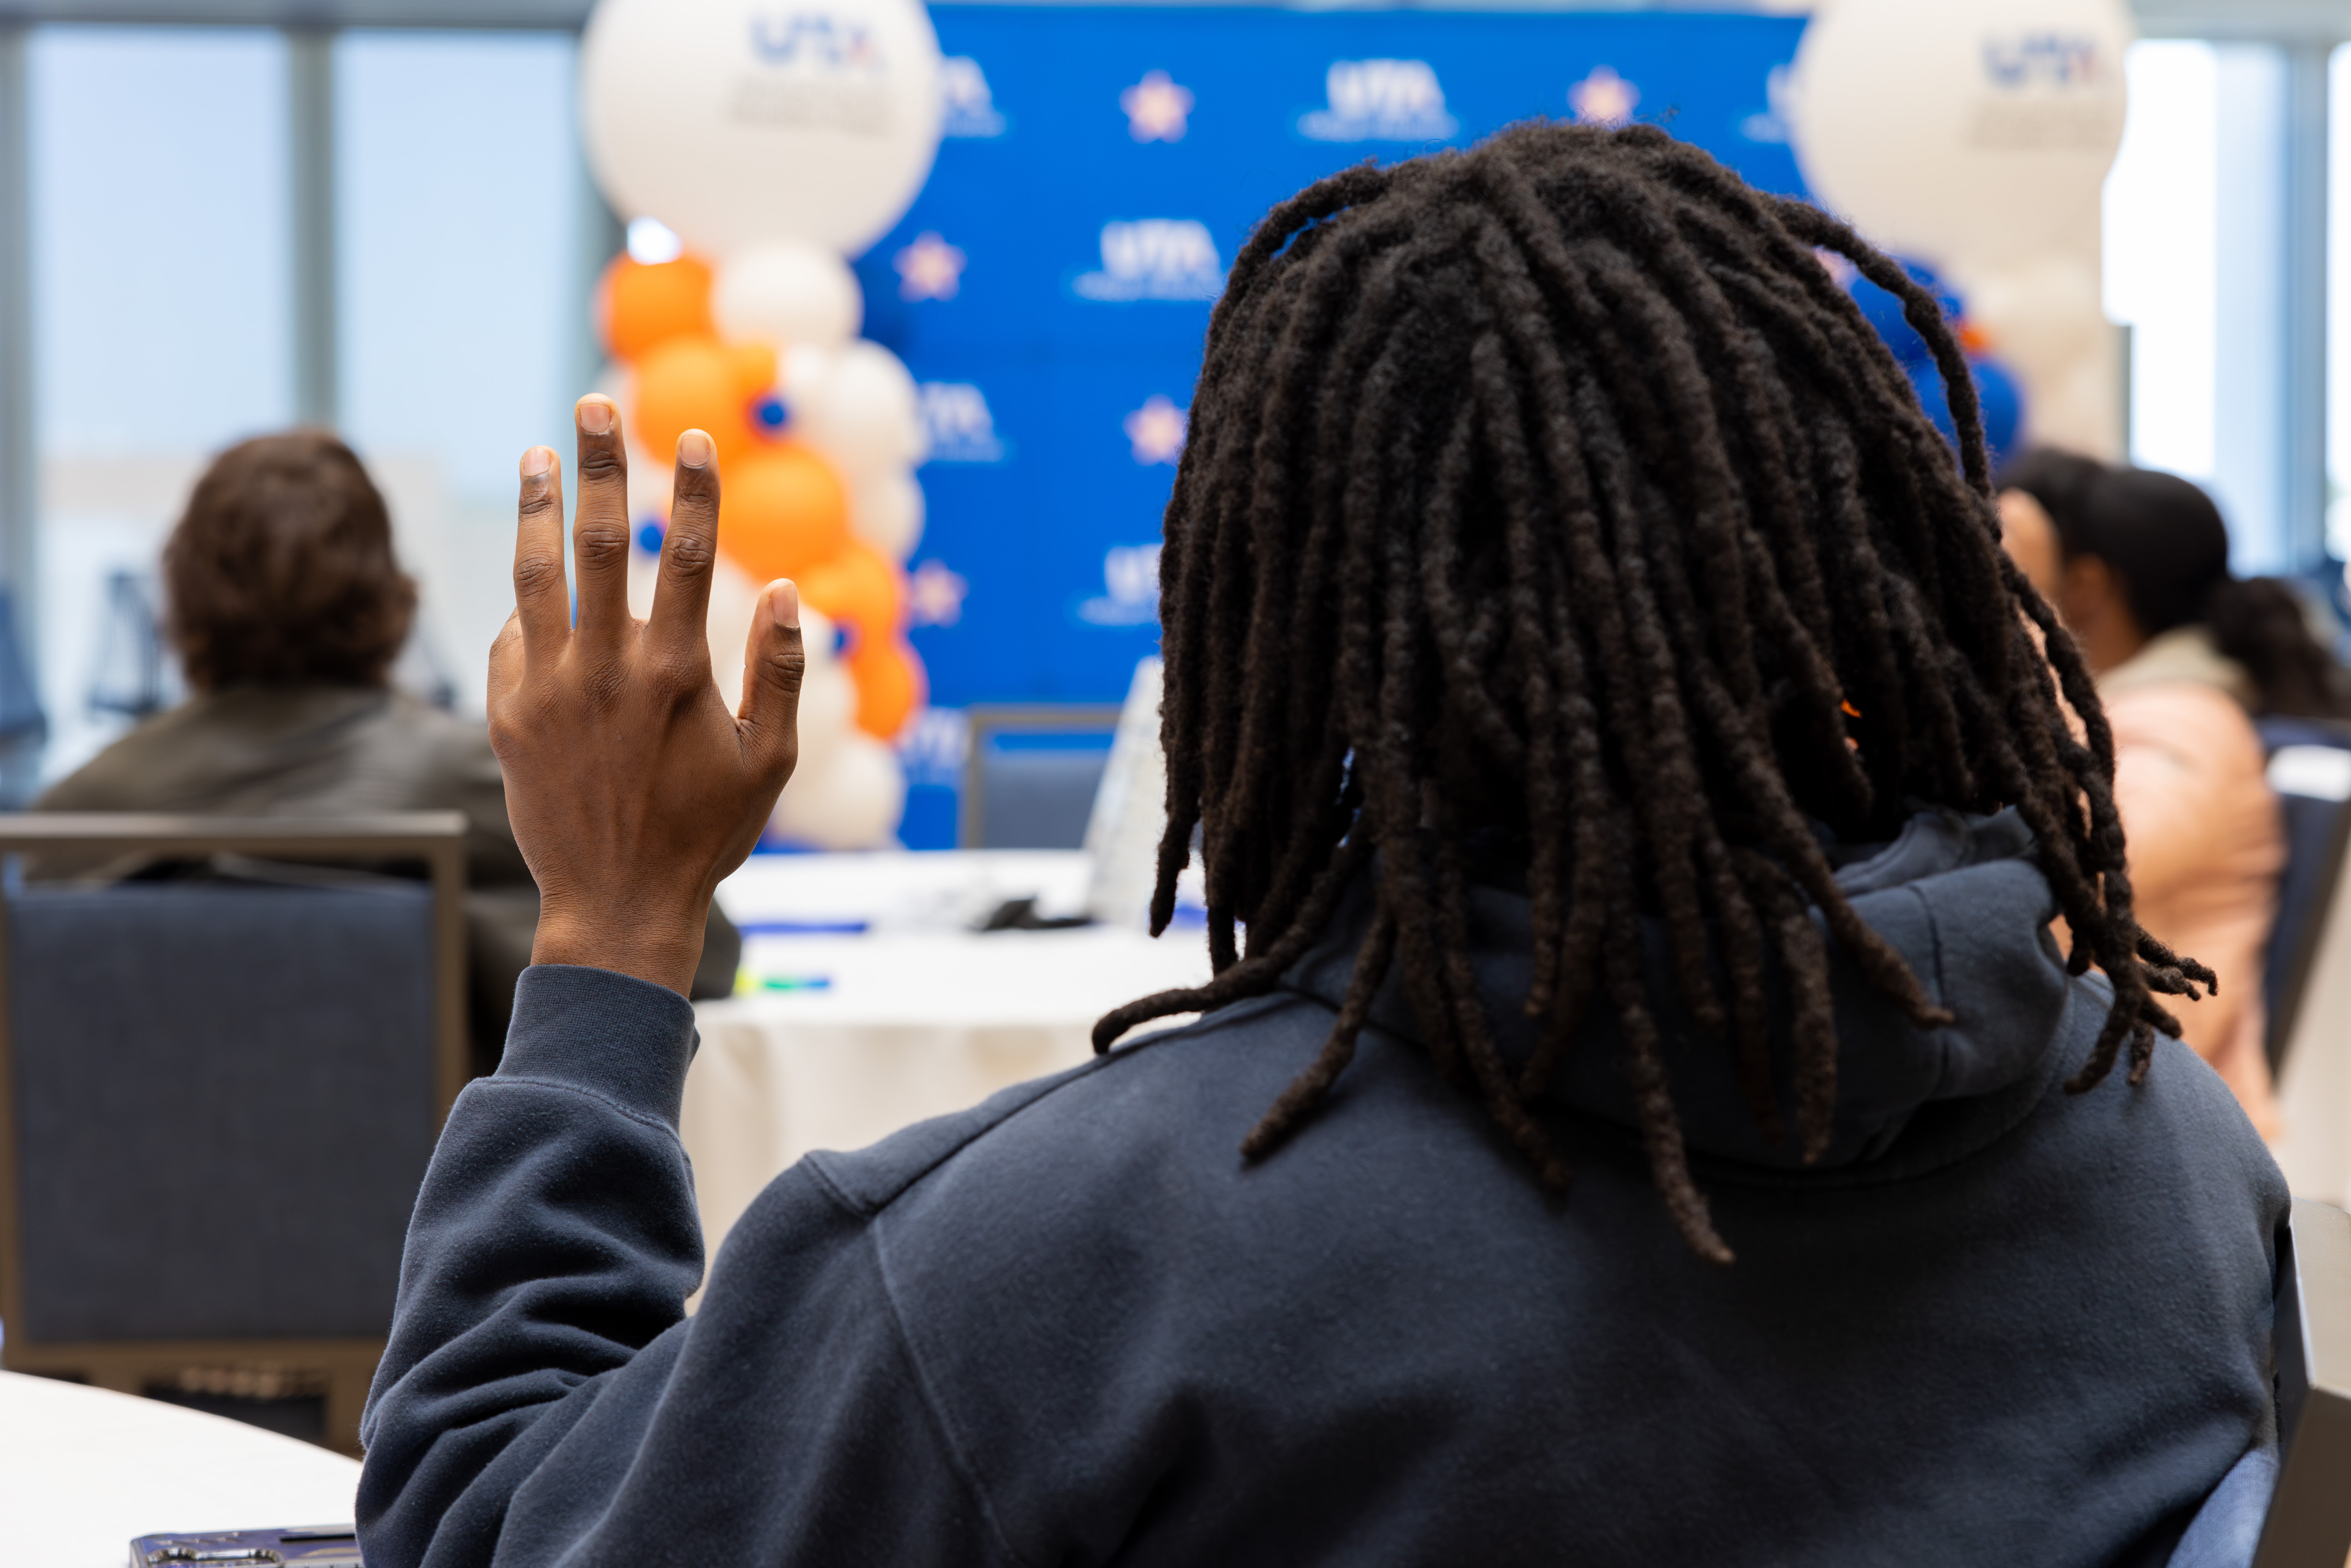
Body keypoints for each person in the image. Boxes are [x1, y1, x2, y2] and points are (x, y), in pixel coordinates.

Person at [360, 125, 2285, 1565]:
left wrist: (613, 927)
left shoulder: (1061, 1275)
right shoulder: (2179, 1177)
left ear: (1273, 612)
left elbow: (478, 1529)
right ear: (1860, 572)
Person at [33, 430, 739, 1067]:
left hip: (126, 1206)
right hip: (447, 1208)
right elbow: (698, 961)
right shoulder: (497, 779)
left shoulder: (68, 822)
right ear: (389, 595)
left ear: (181, 596)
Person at [1999, 452, 2340, 1137]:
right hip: (2109, 1101)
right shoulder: (2142, 709)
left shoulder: (2189, 721)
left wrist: (2013, 616)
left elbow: (2074, 855)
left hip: (2164, 1130)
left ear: (2087, 584)